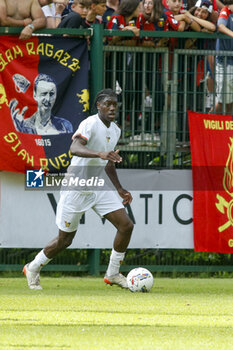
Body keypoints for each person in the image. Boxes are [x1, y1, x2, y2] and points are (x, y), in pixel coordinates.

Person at [23, 88, 134, 290]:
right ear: (98, 106)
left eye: (115, 105)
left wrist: (119, 188)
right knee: (65, 240)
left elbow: (108, 163)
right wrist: (99, 154)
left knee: (126, 225)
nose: (112, 108)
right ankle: (33, 267)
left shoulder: (115, 130)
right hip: (76, 187)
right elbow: (74, 148)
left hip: (97, 187)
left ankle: (113, 273)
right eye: (107, 104)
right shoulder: (90, 123)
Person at [211, 0, 233, 114]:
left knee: (231, 102)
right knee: (222, 101)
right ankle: (206, 125)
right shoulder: (226, 11)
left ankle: (227, 130)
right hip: (224, 62)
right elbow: (220, 26)